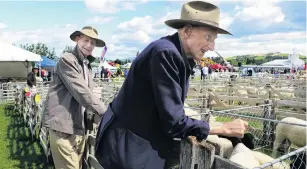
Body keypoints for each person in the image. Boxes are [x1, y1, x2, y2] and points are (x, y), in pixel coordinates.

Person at [95, 1, 248, 169]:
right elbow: (174, 122)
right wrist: (222, 128)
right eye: (208, 38)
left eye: (214, 40)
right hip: (129, 146)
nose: (212, 46)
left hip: (134, 141)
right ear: (187, 31)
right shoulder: (166, 53)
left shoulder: (175, 53)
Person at [42, 26, 107, 169]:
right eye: (86, 40)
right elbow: (83, 93)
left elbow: (88, 94)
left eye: (93, 43)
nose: (89, 45)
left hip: (78, 128)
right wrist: (105, 114)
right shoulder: (67, 60)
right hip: (63, 128)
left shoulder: (86, 65)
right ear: (77, 39)